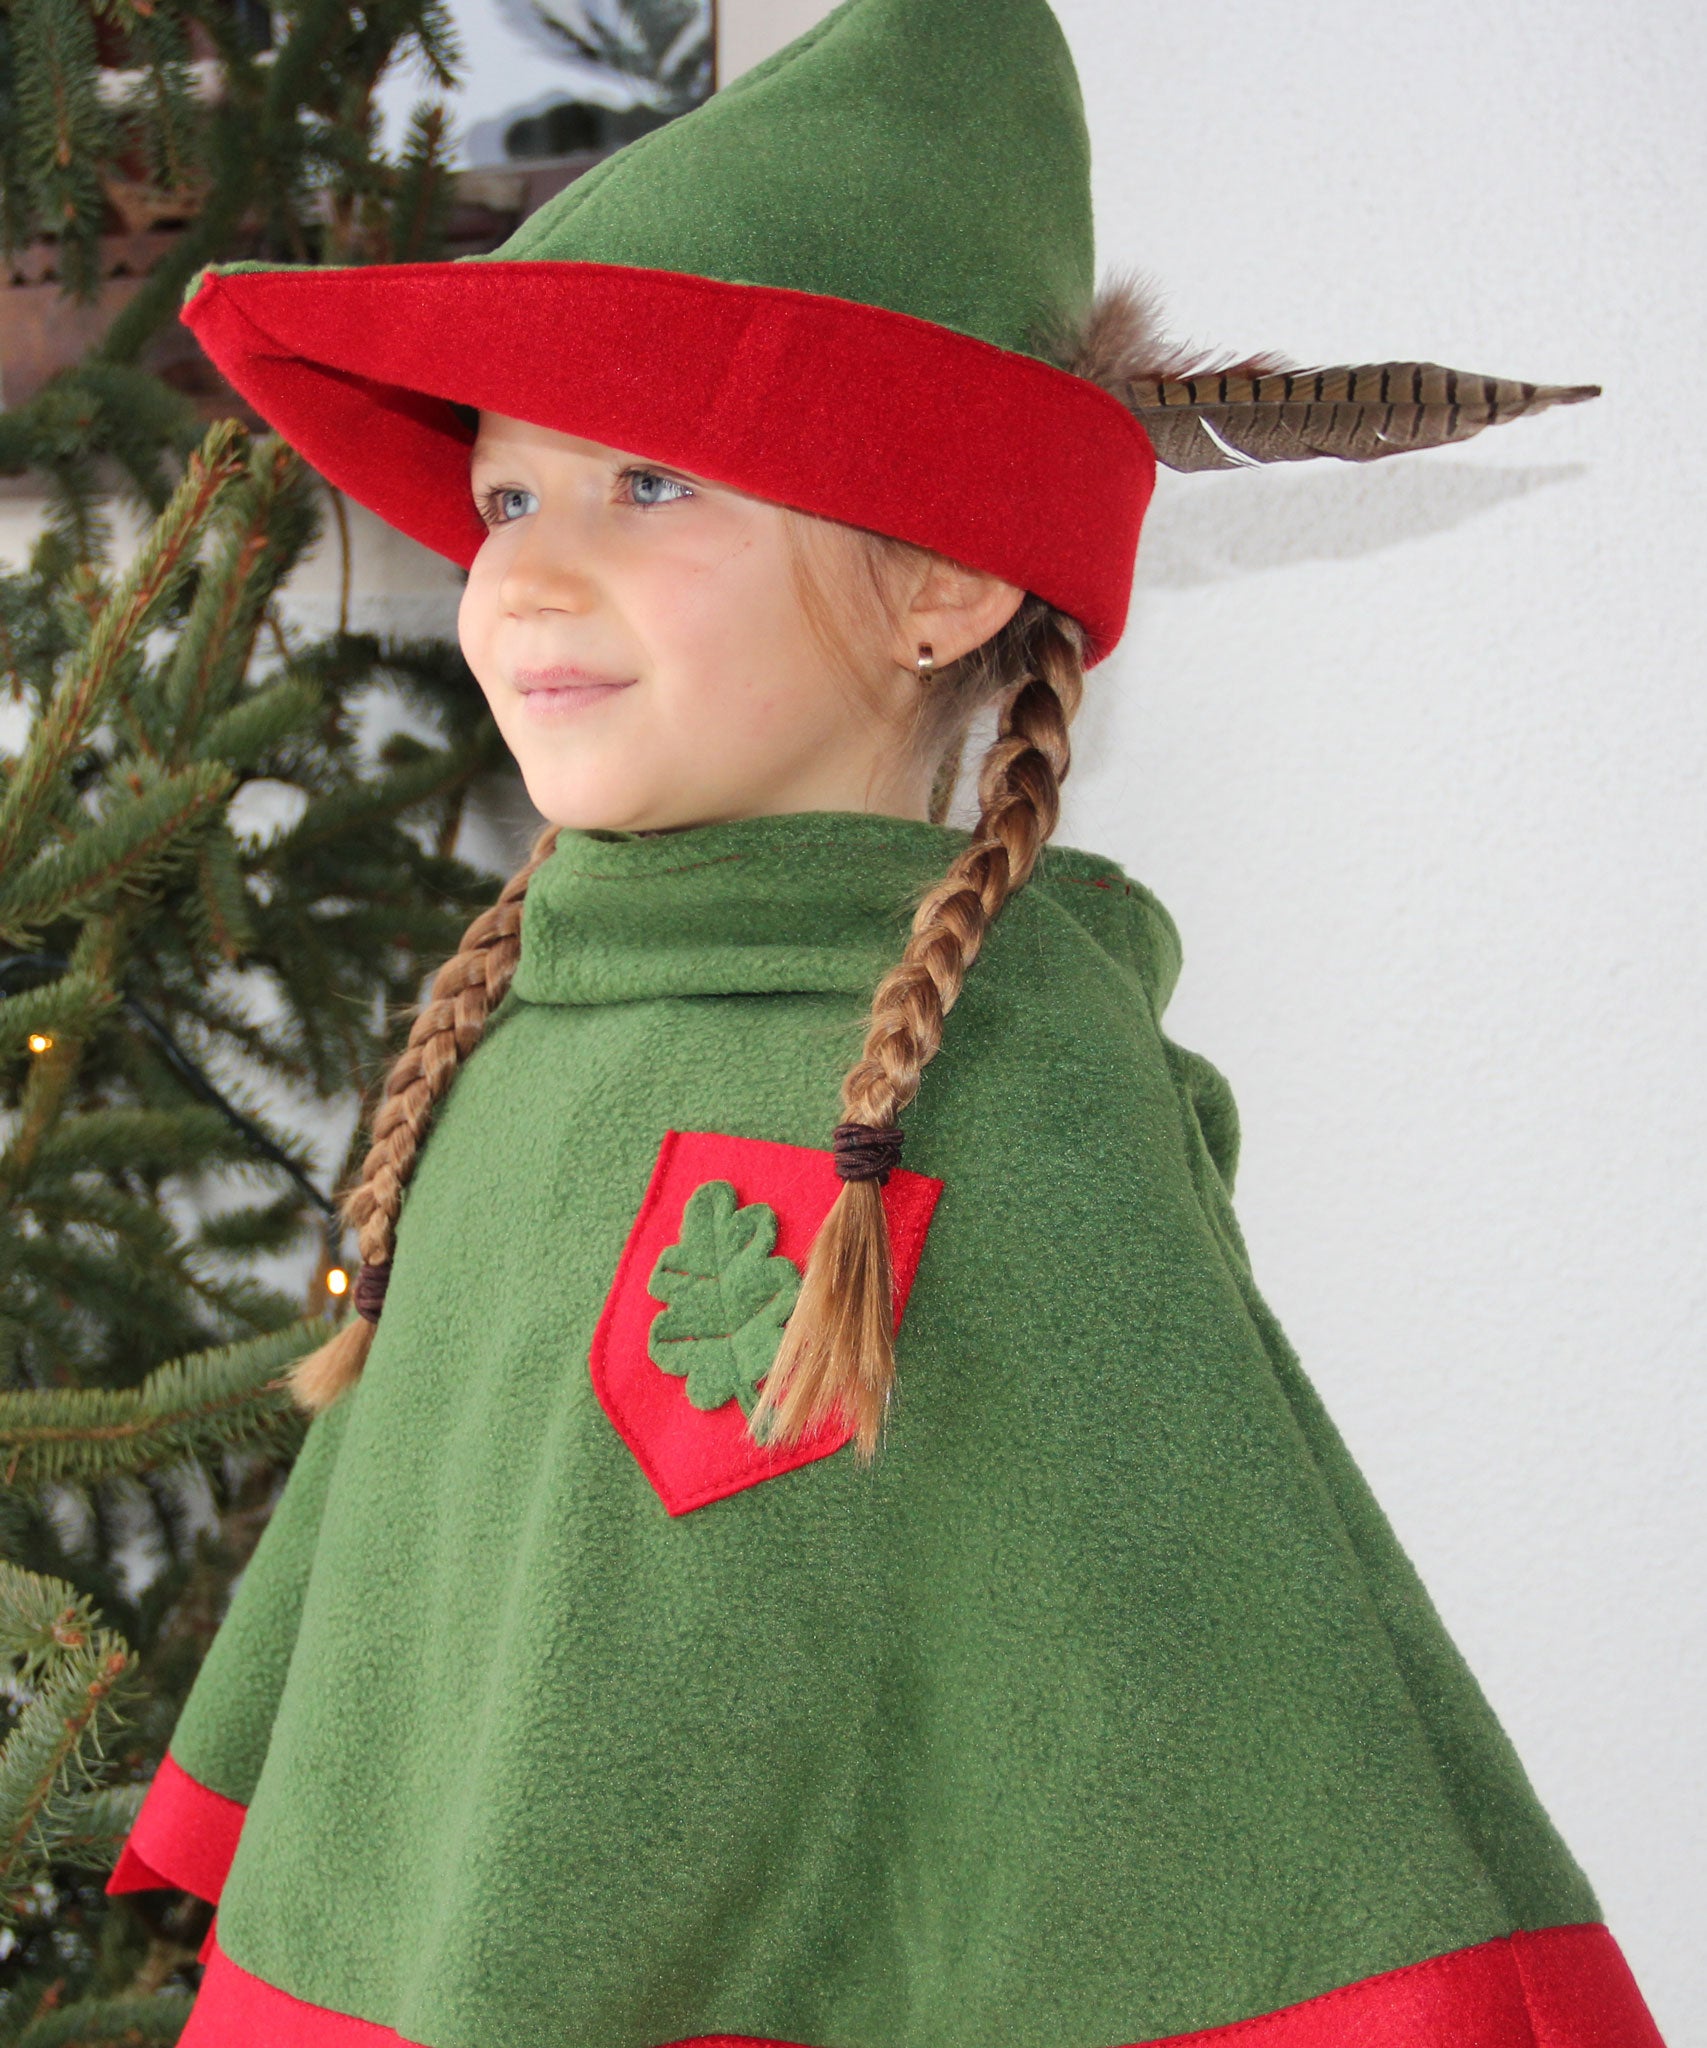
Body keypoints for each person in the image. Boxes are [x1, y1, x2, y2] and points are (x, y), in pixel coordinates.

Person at [108, 1, 1666, 2042]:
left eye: (647, 483)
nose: (526, 584)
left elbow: (1169, 1715)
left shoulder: (997, 1096)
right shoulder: (511, 1045)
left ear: (933, 578)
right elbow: (435, 1679)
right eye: (504, 501)